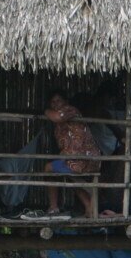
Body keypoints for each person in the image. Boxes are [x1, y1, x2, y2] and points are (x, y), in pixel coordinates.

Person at [38, 91, 113, 219]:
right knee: (72, 177)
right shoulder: (63, 119)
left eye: (58, 101)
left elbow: (56, 117)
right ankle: (89, 209)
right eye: (53, 102)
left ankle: (53, 207)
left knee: (48, 168)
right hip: (81, 160)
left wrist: (45, 111)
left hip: (81, 159)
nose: (56, 104)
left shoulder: (70, 110)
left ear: (66, 102)